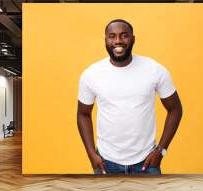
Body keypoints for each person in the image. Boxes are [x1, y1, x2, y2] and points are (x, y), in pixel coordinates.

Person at [77, 19, 182, 175]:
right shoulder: (91, 74)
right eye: (112, 36)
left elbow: (175, 109)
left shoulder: (155, 70)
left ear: (133, 39)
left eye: (124, 36)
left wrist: (161, 150)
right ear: (105, 40)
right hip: (106, 163)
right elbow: (83, 114)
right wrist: (91, 154)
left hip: (147, 163)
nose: (118, 41)